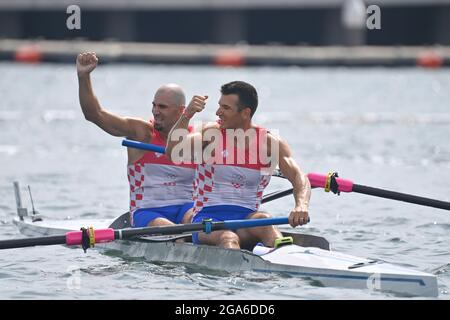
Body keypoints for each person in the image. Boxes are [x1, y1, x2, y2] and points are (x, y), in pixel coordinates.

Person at [166, 81, 311, 249]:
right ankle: (236, 271)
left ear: (245, 113)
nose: (218, 112)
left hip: (246, 220)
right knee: (228, 238)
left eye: (226, 108)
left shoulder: (269, 142)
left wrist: (301, 205)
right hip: (207, 221)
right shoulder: (209, 133)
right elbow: (173, 152)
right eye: (220, 106)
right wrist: (187, 114)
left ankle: (284, 258)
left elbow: (298, 176)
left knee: (264, 220)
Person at [76, 52, 195, 228]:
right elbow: (94, 114)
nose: (155, 111)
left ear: (181, 111)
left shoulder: (196, 138)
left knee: (198, 219)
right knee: (169, 229)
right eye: (154, 105)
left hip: (187, 208)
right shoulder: (142, 133)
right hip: (148, 212)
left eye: (162, 107)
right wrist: (83, 76)